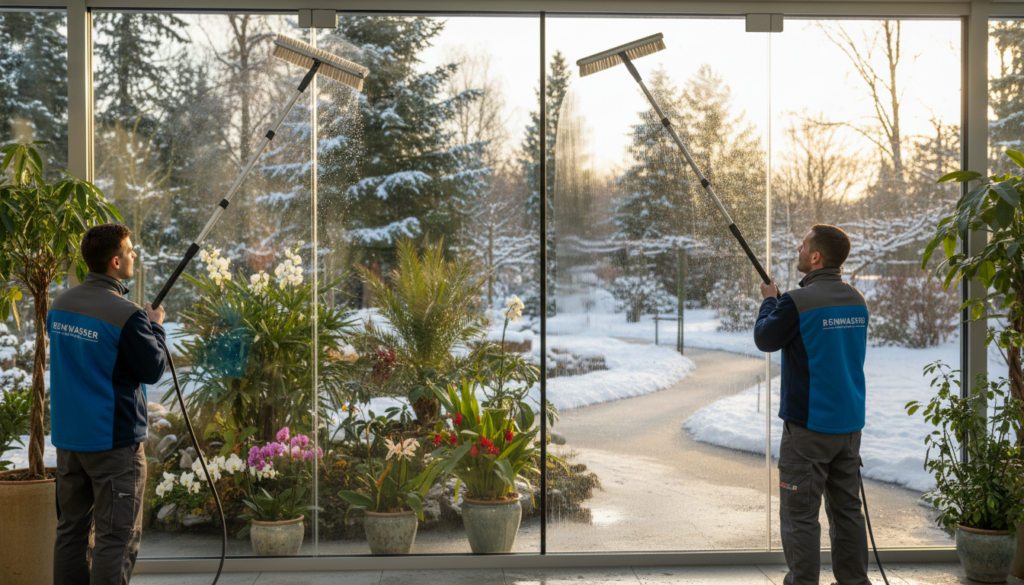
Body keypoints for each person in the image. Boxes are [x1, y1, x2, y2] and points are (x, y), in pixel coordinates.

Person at [49, 224, 167, 585]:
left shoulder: (61, 305)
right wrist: (155, 326)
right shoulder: (126, 315)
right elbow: (153, 369)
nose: (134, 255)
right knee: (115, 541)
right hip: (114, 446)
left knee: (70, 534)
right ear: (115, 261)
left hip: (70, 444)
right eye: (130, 251)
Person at [754, 224, 870, 585]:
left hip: (808, 429)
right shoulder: (856, 299)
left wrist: (769, 299)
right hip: (849, 428)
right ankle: (854, 581)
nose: (799, 249)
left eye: (803, 245)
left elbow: (765, 338)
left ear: (816, 256)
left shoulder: (797, 301)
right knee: (848, 511)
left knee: (800, 514)